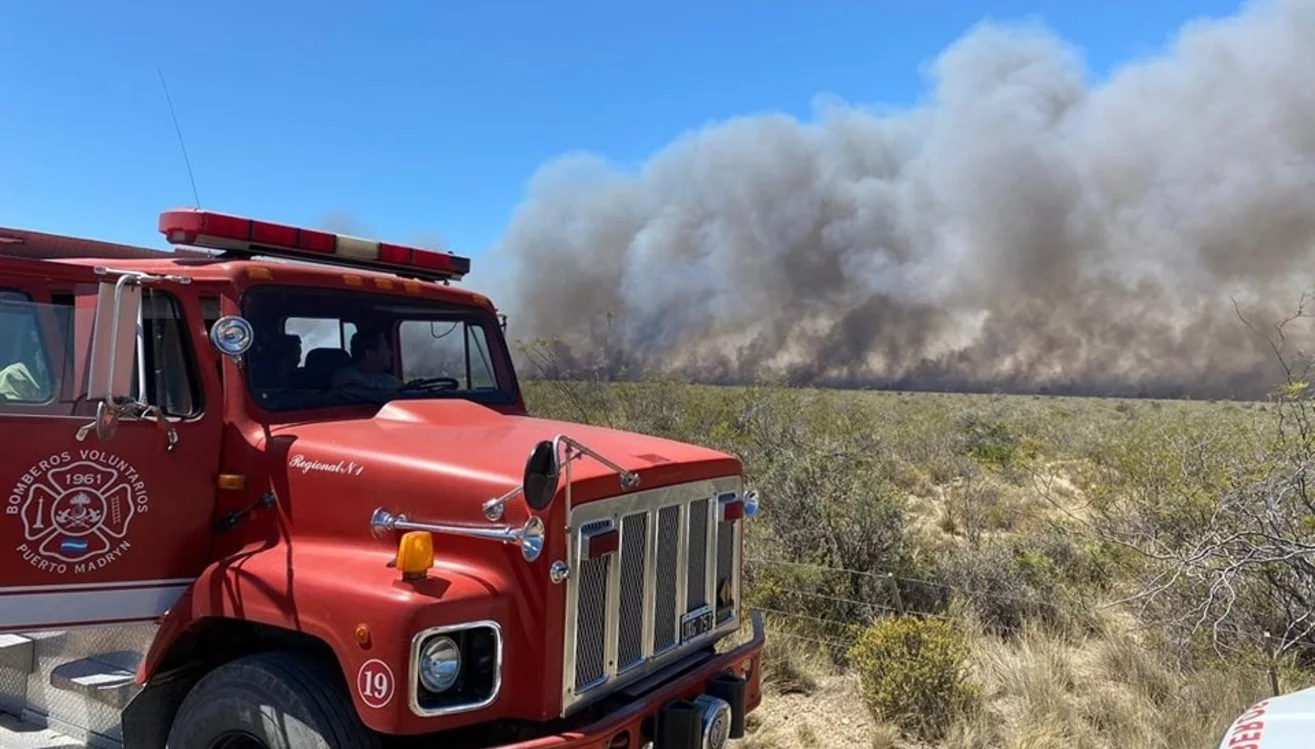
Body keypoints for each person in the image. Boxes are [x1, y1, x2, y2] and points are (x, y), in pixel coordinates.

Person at [331, 327, 403, 391]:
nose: (391, 354)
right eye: (386, 349)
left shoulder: (388, 380)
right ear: (370, 354)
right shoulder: (346, 379)